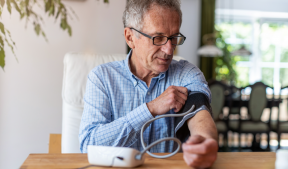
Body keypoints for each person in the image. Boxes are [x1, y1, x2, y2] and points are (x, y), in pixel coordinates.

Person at [79, 0, 218, 168]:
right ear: (130, 37)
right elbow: (88, 147)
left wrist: (205, 142)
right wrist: (150, 109)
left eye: (173, 38)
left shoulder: (186, 73)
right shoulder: (102, 78)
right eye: (158, 38)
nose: (169, 50)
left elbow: (200, 114)